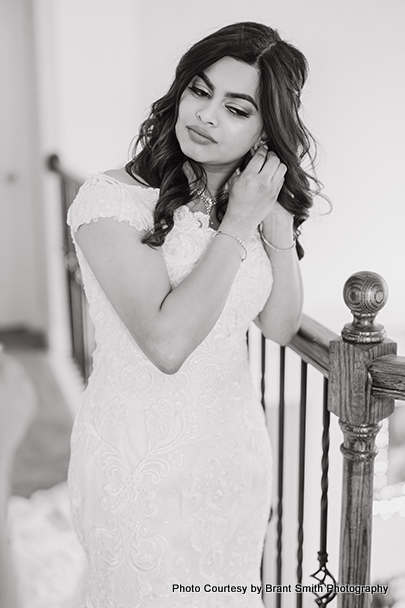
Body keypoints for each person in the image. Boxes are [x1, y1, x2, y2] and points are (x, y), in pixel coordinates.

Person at [67, 21, 321, 608]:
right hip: (137, 466)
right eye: (199, 92)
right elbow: (166, 345)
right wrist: (236, 227)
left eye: (236, 108)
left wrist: (274, 226)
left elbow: (279, 326)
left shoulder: (246, 204)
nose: (206, 116)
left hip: (231, 459)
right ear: (180, 91)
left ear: (265, 132)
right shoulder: (109, 202)